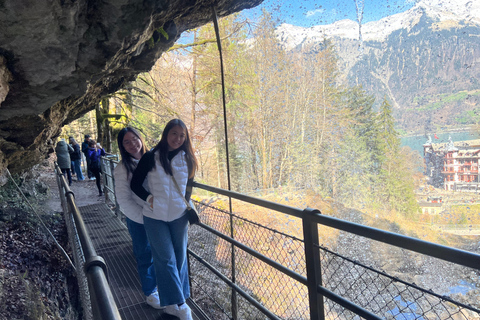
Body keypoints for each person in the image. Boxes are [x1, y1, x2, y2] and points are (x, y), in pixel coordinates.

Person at [130, 119, 198, 320]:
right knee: (165, 259)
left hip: (179, 217)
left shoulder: (189, 159)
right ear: (166, 134)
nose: (177, 138)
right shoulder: (151, 157)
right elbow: (135, 184)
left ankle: (175, 302)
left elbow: (189, 186)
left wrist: (185, 204)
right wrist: (149, 199)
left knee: (180, 259)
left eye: (182, 135)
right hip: (154, 217)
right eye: (174, 133)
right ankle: (178, 304)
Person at [113, 127, 161, 309]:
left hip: (160, 215)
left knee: (162, 253)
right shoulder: (122, 169)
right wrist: (143, 217)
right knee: (144, 254)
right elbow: (123, 199)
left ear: (141, 139)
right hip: (139, 218)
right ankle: (150, 292)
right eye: (127, 142)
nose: (133, 144)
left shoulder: (154, 160)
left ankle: (163, 286)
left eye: (135, 139)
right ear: (122, 146)